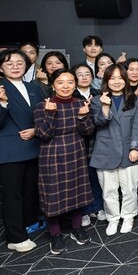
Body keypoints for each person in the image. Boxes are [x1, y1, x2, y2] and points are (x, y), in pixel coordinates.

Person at [0, 49, 44, 253]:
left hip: (33, 146)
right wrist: (2, 102)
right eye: (9, 64)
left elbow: (41, 115)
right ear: (0, 68)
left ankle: (28, 224)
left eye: (19, 63)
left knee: (29, 191)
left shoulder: (34, 87)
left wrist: (36, 130)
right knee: (13, 195)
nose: (15, 67)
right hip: (10, 151)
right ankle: (15, 237)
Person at [34, 68, 95, 254]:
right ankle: (55, 234)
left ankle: (77, 227)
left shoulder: (80, 103)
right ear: (53, 85)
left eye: (70, 82)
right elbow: (43, 134)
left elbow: (88, 131)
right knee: (53, 195)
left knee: (78, 191)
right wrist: (50, 114)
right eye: (60, 82)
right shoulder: (42, 105)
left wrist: (83, 117)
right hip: (52, 154)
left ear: (75, 85)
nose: (65, 86)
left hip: (76, 151)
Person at [89, 64, 138, 236]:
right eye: (112, 78)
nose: (117, 81)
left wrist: (135, 147)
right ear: (106, 81)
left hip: (129, 151)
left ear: (126, 80)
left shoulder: (135, 100)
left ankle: (128, 216)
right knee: (108, 190)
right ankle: (113, 218)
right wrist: (105, 107)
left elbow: (137, 126)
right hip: (105, 151)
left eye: (120, 78)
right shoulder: (96, 100)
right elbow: (98, 123)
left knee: (130, 189)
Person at [72, 63, 105, 227]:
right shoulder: (71, 95)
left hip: (96, 141)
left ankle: (98, 207)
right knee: (80, 179)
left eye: (87, 74)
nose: (84, 77)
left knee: (95, 177)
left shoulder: (99, 94)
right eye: (80, 74)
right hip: (77, 142)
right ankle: (84, 211)